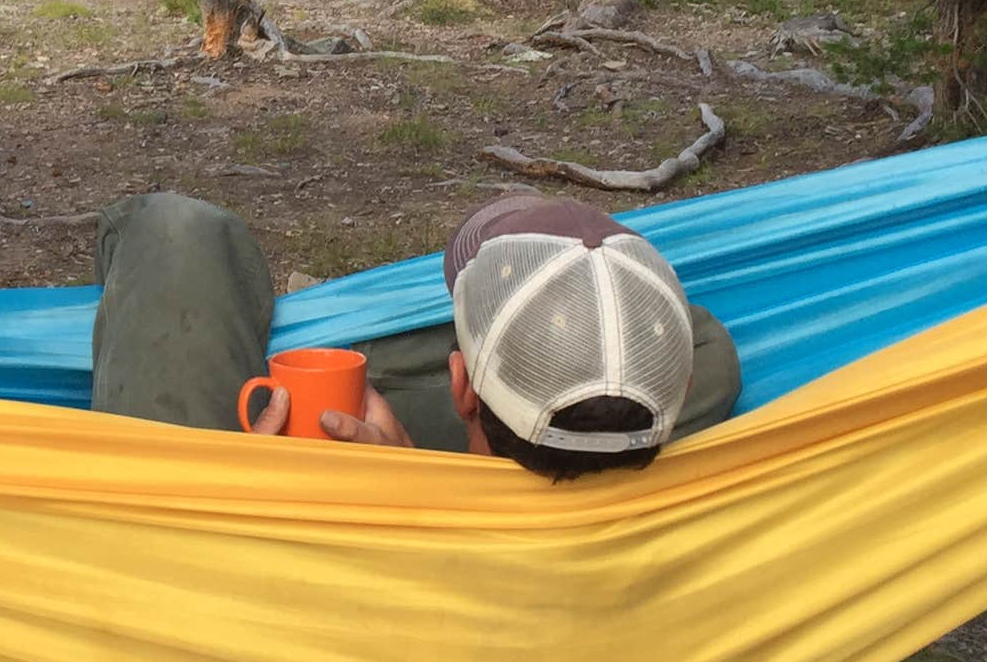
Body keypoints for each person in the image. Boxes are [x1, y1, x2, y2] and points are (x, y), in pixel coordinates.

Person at [89, 191, 741, 478]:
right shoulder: (663, 538)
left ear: (461, 389)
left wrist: (246, 492)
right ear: (672, 389)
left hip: (207, 605)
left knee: (175, 231)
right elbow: (700, 338)